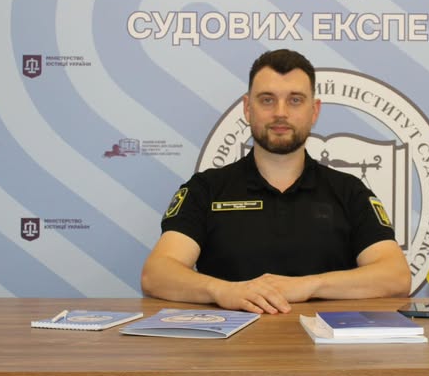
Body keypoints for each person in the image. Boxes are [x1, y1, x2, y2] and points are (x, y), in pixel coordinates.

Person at [141, 49, 411, 314]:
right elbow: (156, 275)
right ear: (248, 108)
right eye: (267, 100)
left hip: (325, 342)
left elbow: (396, 277)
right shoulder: (206, 189)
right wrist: (222, 291)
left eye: (295, 100)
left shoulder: (349, 191)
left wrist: (309, 286)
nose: (280, 113)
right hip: (229, 341)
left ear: (314, 111)